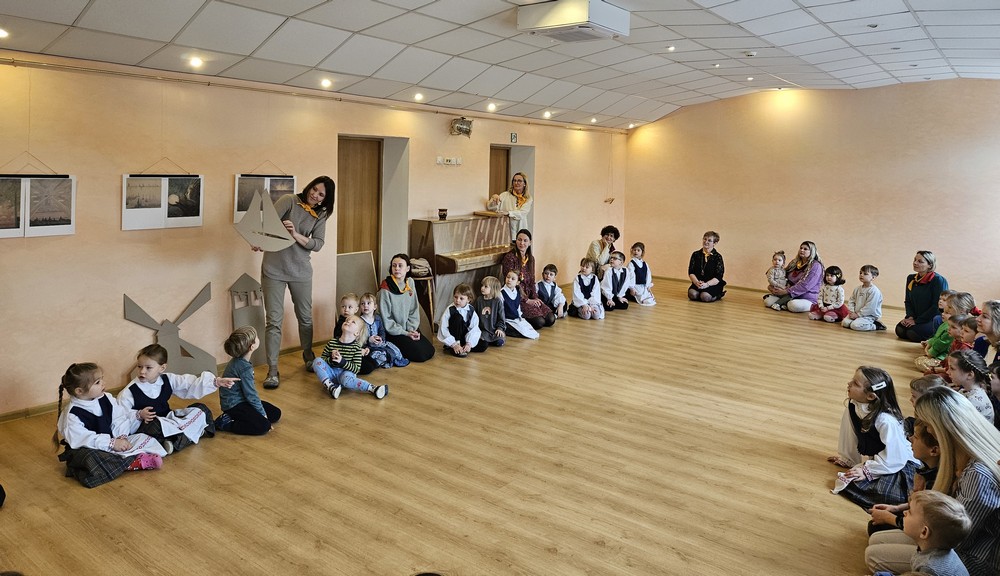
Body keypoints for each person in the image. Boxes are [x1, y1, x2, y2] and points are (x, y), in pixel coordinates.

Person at [865, 387, 1000, 576]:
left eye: (928, 426)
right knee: (876, 539)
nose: (927, 430)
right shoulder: (963, 457)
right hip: (943, 538)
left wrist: (899, 520)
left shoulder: (977, 475)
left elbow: (957, 538)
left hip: (973, 557)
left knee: (874, 555)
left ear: (941, 429)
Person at [258, 175, 335, 389]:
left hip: (301, 272)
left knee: (305, 318)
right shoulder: (289, 201)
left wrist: (295, 234)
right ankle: (272, 370)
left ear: (325, 199)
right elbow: (266, 224)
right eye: (314, 189)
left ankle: (308, 355)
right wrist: (259, 240)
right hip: (273, 270)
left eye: (321, 194)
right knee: (273, 321)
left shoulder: (320, 214)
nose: (315, 194)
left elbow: (317, 244)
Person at [54, 363, 166, 487]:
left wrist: (121, 437)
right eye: (97, 382)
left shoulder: (106, 398)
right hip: (91, 448)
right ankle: (133, 463)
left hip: (115, 441)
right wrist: (111, 443)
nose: (103, 383)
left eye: (102, 379)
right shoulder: (72, 415)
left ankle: (130, 458)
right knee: (90, 458)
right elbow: (84, 439)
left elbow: (119, 417)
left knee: (153, 423)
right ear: (79, 391)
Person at [828, 366, 919, 510]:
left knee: (885, 493)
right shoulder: (853, 406)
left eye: (855, 383)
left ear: (871, 396)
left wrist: (867, 470)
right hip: (883, 461)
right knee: (850, 481)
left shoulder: (885, 420)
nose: (849, 383)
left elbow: (896, 457)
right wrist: (849, 459)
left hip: (900, 463)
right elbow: (849, 433)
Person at [117, 344, 235, 454]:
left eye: (148, 368)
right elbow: (119, 416)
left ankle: (173, 441)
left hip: (169, 419)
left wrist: (216, 382)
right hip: (152, 425)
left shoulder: (168, 379)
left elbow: (189, 384)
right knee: (155, 426)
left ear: (162, 368)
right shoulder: (130, 391)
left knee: (201, 409)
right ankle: (194, 433)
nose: (142, 371)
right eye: (139, 366)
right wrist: (138, 415)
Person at [869, 418, 942, 536]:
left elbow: (923, 521)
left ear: (933, 450)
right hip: (917, 515)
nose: (910, 438)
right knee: (875, 525)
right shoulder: (926, 468)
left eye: (916, 437)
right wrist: (896, 508)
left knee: (876, 529)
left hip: (926, 529)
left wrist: (889, 518)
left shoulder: (935, 482)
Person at [216, 326, 281, 436]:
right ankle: (226, 423)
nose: (258, 338)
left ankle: (238, 417)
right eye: (256, 337)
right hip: (234, 405)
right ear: (252, 347)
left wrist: (262, 413)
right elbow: (251, 394)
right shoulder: (244, 368)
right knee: (263, 426)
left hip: (243, 401)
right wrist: (263, 415)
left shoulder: (241, 361)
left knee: (275, 413)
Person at [313, 315, 388, 399]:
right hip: (331, 375)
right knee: (317, 360)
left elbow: (356, 369)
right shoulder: (331, 343)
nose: (348, 322)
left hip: (346, 376)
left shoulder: (356, 348)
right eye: (347, 320)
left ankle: (372, 388)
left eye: (353, 322)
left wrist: (342, 362)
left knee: (346, 378)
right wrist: (331, 359)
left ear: (357, 333)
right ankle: (330, 386)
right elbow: (323, 359)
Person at [378, 253, 435, 363]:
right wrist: (405, 333)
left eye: (400, 265)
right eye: (394, 265)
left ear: (407, 268)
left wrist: (411, 329)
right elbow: (386, 320)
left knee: (429, 350)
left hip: (408, 329)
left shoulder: (410, 283)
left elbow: (413, 309)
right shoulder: (385, 289)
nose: (397, 268)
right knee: (421, 355)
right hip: (394, 332)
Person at [901, 491, 972, 575]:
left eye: (910, 512)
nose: (904, 512)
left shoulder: (928, 568)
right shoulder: (941, 549)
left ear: (924, 532)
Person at [500, 229, 554, 329]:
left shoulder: (531, 259)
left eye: (525, 240)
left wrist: (535, 298)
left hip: (530, 296)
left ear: (530, 243)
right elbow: (511, 283)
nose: (522, 243)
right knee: (539, 322)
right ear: (516, 241)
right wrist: (527, 300)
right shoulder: (510, 258)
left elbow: (532, 281)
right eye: (519, 240)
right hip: (517, 298)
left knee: (550, 319)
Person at [896, 251, 950, 342]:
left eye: (920, 261)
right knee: (900, 330)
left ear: (930, 265)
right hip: (916, 316)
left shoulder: (938, 280)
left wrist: (917, 321)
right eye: (915, 260)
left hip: (932, 318)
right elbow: (908, 301)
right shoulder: (911, 278)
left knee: (912, 333)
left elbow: (936, 306)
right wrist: (910, 317)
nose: (915, 263)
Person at [915, 292, 970, 373]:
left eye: (949, 309)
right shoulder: (947, 323)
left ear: (961, 311)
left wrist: (930, 353)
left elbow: (942, 343)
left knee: (920, 362)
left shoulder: (954, 328)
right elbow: (937, 336)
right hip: (944, 357)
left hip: (942, 357)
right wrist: (929, 342)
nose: (943, 313)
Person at [763, 241, 823, 313]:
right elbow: (783, 276)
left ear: (812, 251)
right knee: (768, 302)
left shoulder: (816, 266)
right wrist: (773, 287)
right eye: (801, 248)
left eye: (805, 249)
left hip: (806, 297)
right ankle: (782, 303)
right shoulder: (795, 262)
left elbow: (805, 285)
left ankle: (783, 303)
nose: (802, 250)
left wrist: (786, 291)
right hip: (788, 294)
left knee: (792, 305)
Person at [358, 292, 407, 374]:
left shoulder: (377, 318)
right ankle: (380, 361)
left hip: (379, 343)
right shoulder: (360, 321)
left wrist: (381, 338)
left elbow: (381, 331)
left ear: (375, 307)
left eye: (368, 303)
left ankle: (391, 358)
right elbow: (358, 337)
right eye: (362, 304)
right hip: (367, 346)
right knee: (379, 355)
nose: (365, 306)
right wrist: (369, 340)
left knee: (395, 350)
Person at [947, 349, 995, 424]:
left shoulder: (974, 402)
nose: (948, 372)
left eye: (952, 368)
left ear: (969, 375)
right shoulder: (967, 391)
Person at [437, 283, 482, 357]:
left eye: (461, 298)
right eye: (455, 297)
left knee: (483, 345)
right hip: (454, 336)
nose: (457, 300)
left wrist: (469, 343)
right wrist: (454, 344)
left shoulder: (471, 310)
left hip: (464, 337)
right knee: (458, 318)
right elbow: (443, 328)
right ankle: (454, 346)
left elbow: (474, 328)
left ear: (468, 299)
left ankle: (464, 347)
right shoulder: (450, 310)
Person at [487, 172, 532, 241]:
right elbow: (491, 208)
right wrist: (494, 199)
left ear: (524, 184)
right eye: (514, 180)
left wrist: (508, 213)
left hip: (520, 229)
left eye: (519, 181)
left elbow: (522, 213)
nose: (516, 183)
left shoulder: (528, 198)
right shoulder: (505, 195)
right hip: (506, 230)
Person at [843, 264, 885, 332]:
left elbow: (870, 307)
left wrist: (858, 315)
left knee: (855, 325)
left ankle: (876, 325)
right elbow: (851, 301)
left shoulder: (874, 291)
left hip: (869, 315)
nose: (861, 275)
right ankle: (858, 320)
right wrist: (851, 312)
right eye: (860, 273)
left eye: (865, 274)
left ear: (873, 278)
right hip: (856, 313)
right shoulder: (857, 289)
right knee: (845, 323)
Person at [687, 231, 726, 302]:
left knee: (705, 297)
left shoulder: (718, 257)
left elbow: (719, 276)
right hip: (699, 282)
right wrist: (696, 282)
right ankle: (701, 293)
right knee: (692, 294)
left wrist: (707, 284)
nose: (706, 242)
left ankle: (718, 295)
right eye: (705, 239)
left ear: (715, 243)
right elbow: (691, 271)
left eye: (709, 240)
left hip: (712, 284)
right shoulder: (695, 254)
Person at [501, 271, 540, 339]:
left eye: (513, 279)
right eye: (508, 277)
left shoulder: (517, 292)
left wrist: (520, 317)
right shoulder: (501, 293)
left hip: (515, 318)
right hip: (506, 319)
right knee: (518, 331)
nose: (509, 280)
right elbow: (499, 310)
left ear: (517, 282)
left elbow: (517, 307)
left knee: (527, 328)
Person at [474, 276, 506, 351]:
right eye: (482, 285)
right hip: (483, 330)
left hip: (494, 330)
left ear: (493, 289)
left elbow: (501, 318)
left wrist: (500, 328)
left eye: (486, 286)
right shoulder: (479, 300)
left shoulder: (498, 301)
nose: (482, 288)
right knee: (482, 340)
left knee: (499, 341)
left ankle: (492, 340)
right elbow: (474, 315)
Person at [626, 242, 656, 306]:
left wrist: (648, 286)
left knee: (650, 297)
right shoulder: (631, 264)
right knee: (641, 297)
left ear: (642, 252)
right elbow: (631, 276)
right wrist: (632, 288)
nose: (636, 252)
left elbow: (648, 275)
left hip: (643, 286)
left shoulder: (645, 263)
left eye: (638, 250)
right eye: (634, 250)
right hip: (635, 285)